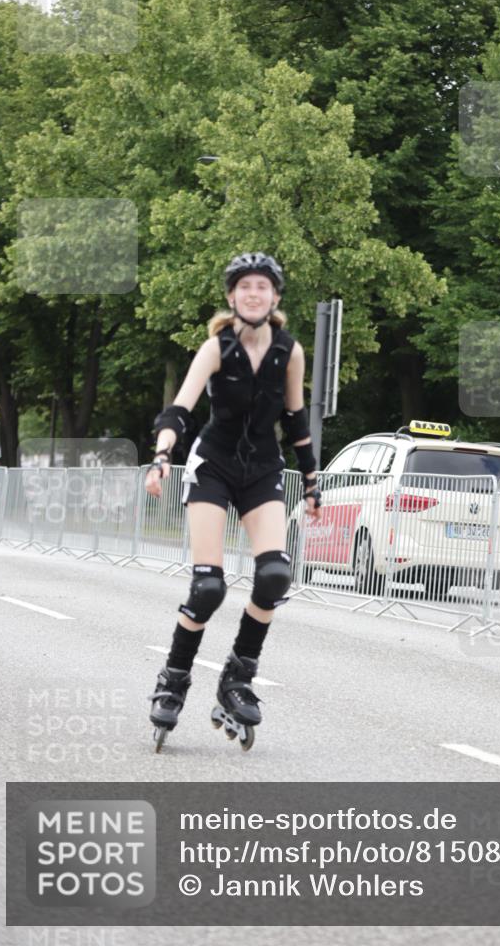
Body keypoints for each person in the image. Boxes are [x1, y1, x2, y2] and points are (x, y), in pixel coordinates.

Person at [145, 252, 321, 751]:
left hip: (263, 468)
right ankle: (173, 681)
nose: (253, 293)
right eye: (244, 286)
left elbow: (295, 422)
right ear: (231, 296)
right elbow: (179, 410)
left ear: (275, 297)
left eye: (262, 286)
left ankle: (237, 679)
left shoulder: (291, 350)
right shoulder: (216, 347)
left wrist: (310, 483)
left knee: (274, 576)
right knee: (207, 588)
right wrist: (161, 457)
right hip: (214, 464)